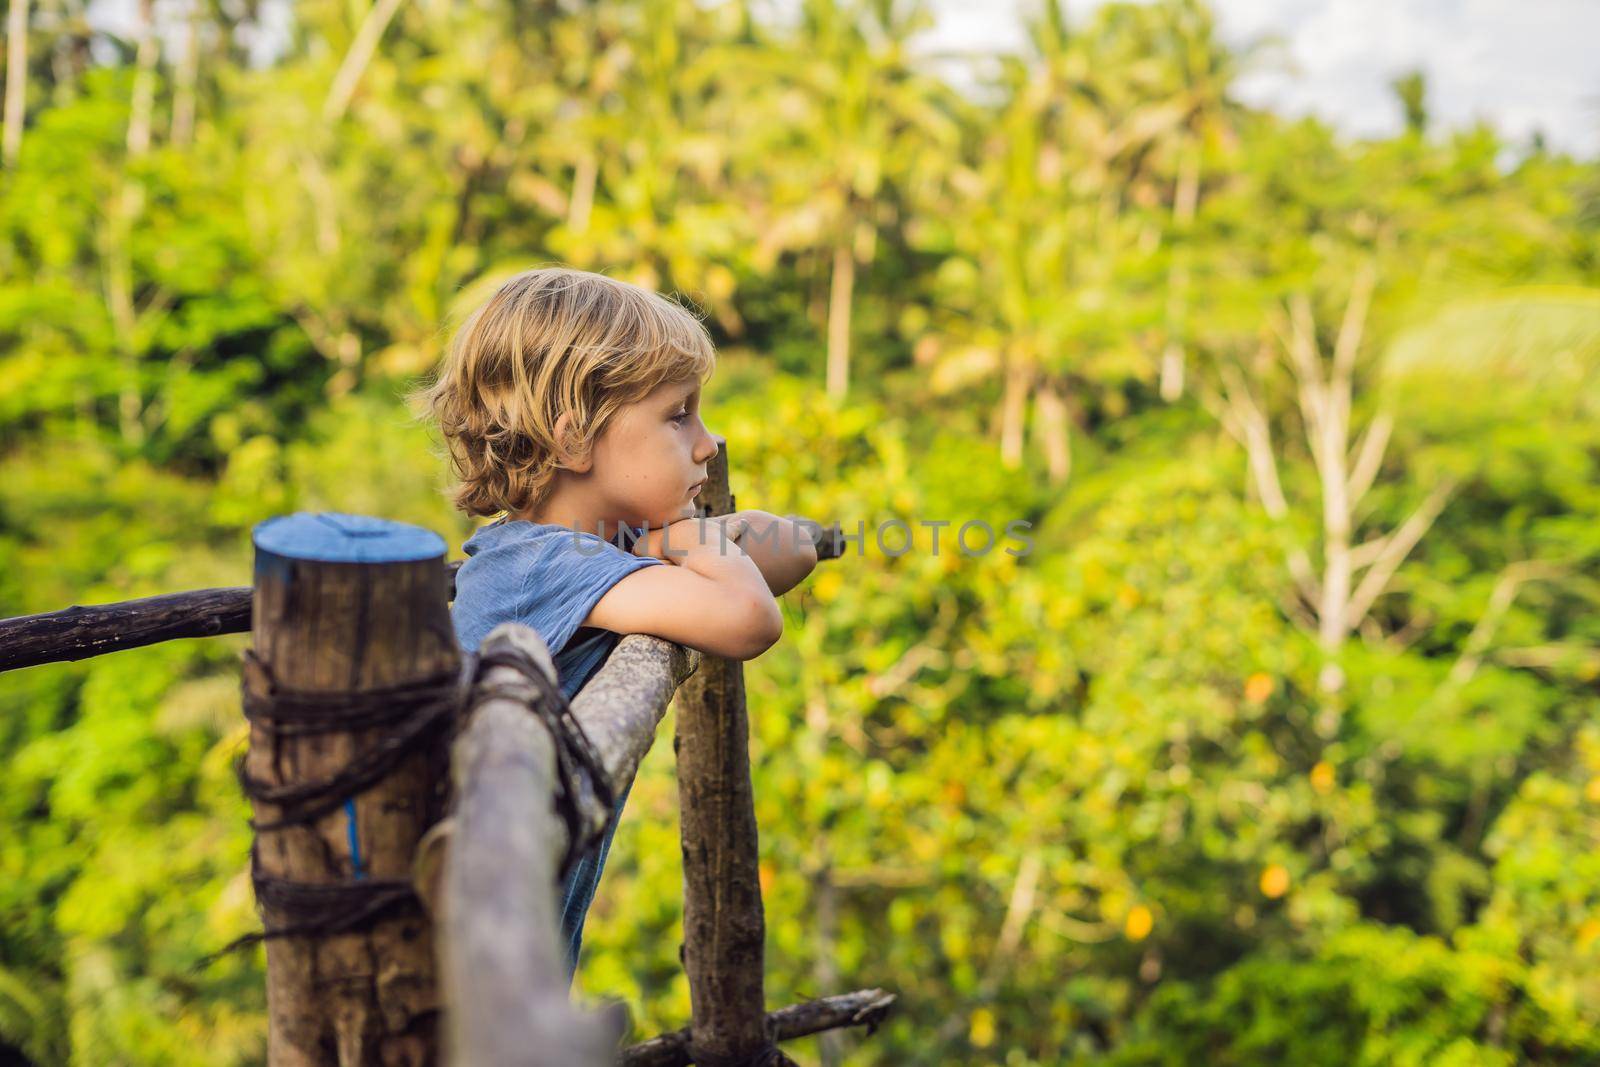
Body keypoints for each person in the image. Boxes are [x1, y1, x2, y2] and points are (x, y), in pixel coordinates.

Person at [413, 265, 819, 981]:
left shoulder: (591, 546)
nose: (708, 444)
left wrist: (671, 537)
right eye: (677, 415)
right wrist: (684, 540)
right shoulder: (542, 564)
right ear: (573, 441)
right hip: (462, 959)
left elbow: (785, 548)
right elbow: (752, 617)